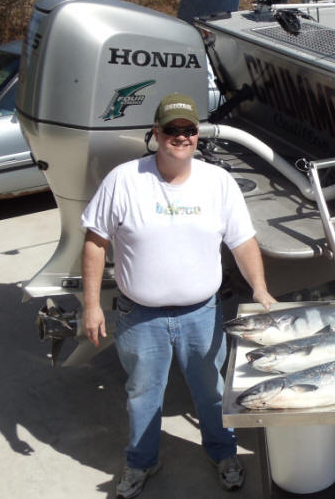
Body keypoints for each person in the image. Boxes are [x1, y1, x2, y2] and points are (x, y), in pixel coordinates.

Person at [81, 93, 276, 498]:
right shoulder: (124, 179)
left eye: (189, 129)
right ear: (156, 133)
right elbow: (95, 242)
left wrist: (259, 287)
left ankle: (223, 454)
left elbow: (243, 241)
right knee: (142, 395)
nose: (182, 137)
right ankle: (141, 462)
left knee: (211, 392)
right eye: (173, 129)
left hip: (201, 313)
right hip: (140, 315)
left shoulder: (217, 182)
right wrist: (92, 305)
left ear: (198, 135)